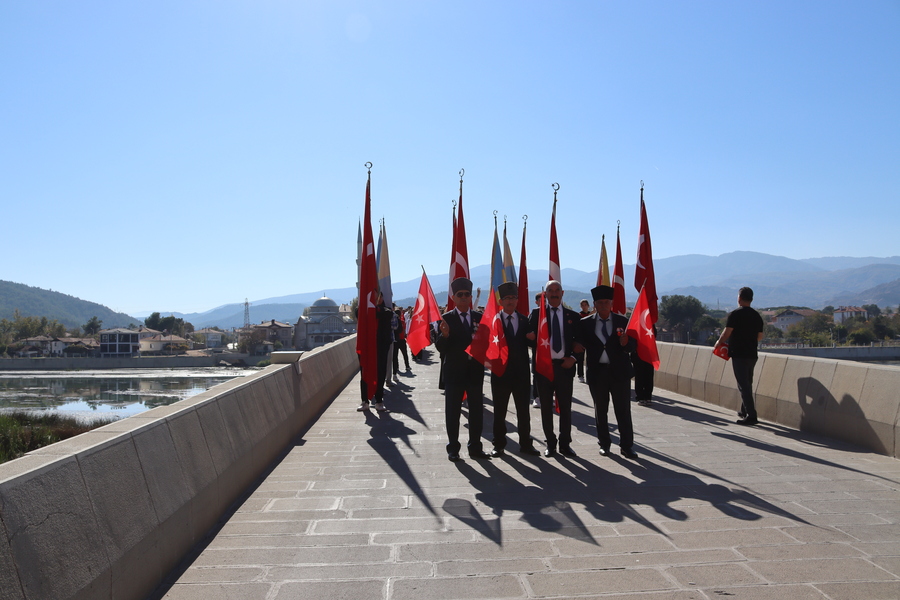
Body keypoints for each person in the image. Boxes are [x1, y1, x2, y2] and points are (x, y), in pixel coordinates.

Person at [578, 285, 638, 459]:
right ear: (595, 304)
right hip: (597, 373)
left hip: (619, 373)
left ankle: (627, 446)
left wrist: (626, 343)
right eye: (600, 302)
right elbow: (579, 343)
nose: (603, 305)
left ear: (611, 303)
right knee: (600, 410)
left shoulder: (623, 322)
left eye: (606, 302)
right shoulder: (586, 323)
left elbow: (633, 347)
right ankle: (604, 444)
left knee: (623, 410)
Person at [435, 277, 490, 461]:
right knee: (453, 412)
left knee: (476, 412)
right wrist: (444, 335)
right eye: (460, 295)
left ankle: (475, 447)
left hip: (474, 372)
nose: (465, 297)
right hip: (454, 373)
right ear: (453, 297)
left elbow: (485, 344)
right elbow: (440, 347)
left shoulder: (479, 318)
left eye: (467, 294)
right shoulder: (446, 318)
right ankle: (453, 448)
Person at [528, 280, 580, 457]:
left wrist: (572, 359)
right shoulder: (536, 315)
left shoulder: (573, 316)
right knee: (545, 409)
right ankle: (550, 443)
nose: (554, 293)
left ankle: (565, 443)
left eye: (557, 290)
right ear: (545, 295)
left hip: (564, 368)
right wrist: (529, 337)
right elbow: (528, 339)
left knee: (565, 408)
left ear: (563, 293)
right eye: (550, 290)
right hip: (544, 368)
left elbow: (580, 343)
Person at [490, 282, 540, 457]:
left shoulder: (524, 320)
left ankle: (526, 444)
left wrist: (532, 339)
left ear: (517, 300)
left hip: (521, 374)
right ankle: (498, 444)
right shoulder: (493, 321)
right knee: (499, 411)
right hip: (500, 373)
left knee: (523, 412)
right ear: (501, 301)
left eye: (513, 298)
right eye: (507, 298)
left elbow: (533, 344)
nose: (510, 301)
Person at [715, 287, 765, 426]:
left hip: (739, 354)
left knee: (743, 385)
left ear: (739, 298)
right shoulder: (757, 316)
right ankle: (744, 410)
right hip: (752, 354)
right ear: (751, 298)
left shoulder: (735, 314)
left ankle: (751, 415)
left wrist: (719, 343)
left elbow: (727, 332)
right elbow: (759, 336)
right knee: (748, 382)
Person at [357, 292, 393, 413]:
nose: (377, 298)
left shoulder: (386, 310)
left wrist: (374, 310)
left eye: (379, 296)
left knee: (380, 372)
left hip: (381, 346)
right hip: (366, 346)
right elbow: (358, 313)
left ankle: (379, 400)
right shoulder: (363, 310)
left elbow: (387, 314)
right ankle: (365, 401)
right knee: (364, 372)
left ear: (382, 298)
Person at [632, 322, 656, 407]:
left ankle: (648, 397)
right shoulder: (634, 323)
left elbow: (654, 336)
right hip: (638, 354)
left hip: (649, 354)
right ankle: (640, 397)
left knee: (649, 376)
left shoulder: (651, 323)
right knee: (639, 376)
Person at [576, 299, 592, 383]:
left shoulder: (592, 315)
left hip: (590, 339)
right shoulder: (578, 316)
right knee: (580, 358)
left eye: (585, 305)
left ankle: (590, 374)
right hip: (582, 339)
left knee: (590, 358)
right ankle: (580, 375)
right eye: (582, 305)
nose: (584, 306)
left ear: (588, 306)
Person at [392, 306, 411, 375]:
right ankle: (407, 366)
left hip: (396, 340)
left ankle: (396, 367)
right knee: (405, 354)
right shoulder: (403, 322)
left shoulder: (394, 322)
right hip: (402, 339)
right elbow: (404, 330)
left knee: (395, 355)